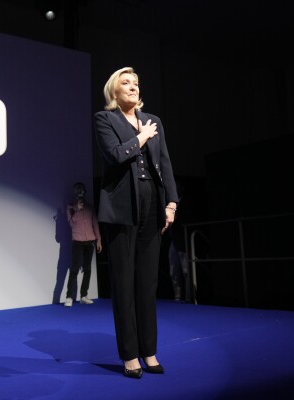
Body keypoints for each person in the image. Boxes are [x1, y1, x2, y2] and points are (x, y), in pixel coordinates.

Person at [94, 67, 178, 379]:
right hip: (121, 208)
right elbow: (115, 155)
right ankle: (129, 355)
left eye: (135, 83)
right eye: (125, 83)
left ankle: (150, 351)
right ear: (113, 92)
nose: (132, 87)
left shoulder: (154, 120)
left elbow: (165, 162)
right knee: (124, 283)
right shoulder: (105, 119)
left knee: (147, 283)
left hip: (152, 205)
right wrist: (141, 138)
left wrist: (171, 201)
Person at [64, 182, 102, 307]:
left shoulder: (90, 207)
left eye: (82, 191)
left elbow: (95, 223)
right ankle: (69, 296)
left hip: (89, 241)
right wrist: (77, 210)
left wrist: (99, 239)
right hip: (78, 242)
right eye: (78, 191)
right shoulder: (70, 207)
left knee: (87, 269)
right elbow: (71, 224)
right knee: (74, 269)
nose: (80, 193)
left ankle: (83, 295)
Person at [168, 181, 190, 302]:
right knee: (174, 270)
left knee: (186, 270)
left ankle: (189, 297)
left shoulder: (185, 203)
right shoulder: (171, 203)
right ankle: (177, 297)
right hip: (174, 240)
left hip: (183, 240)